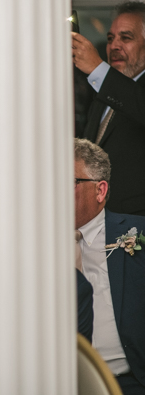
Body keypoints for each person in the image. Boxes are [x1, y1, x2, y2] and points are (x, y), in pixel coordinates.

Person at [74, 138, 145, 394]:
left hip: (128, 382)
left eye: (69, 182)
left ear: (100, 190)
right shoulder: (32, 243)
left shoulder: (138, 235)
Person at [72, 1, 145, 216]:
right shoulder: (103, 94)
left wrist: (97, 68)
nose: (114, 46)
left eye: (126, 37)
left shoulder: (109, 85)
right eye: (110, 38)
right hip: (99, 224)